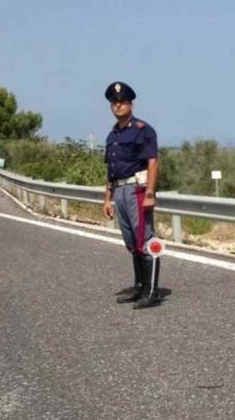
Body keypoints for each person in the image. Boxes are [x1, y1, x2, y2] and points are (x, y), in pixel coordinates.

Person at [102, 81, 162, 309]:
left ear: (130, 104)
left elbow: (152, 162)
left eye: (122, 102)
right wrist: (107, 198)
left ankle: (152, 291)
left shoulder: (142, 129)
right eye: (114, 103)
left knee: (144, 239)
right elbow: (111, 169)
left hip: (137, 189)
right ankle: (139, 287)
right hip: (119, 190)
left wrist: (150, 193)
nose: (118, 106)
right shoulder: (112, 136)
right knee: (131, 241)